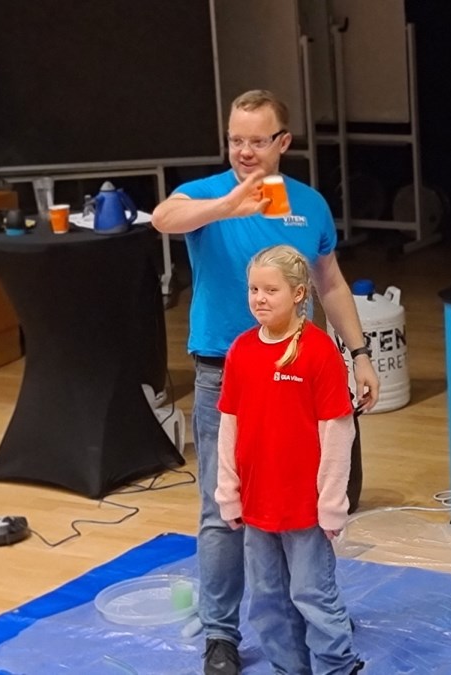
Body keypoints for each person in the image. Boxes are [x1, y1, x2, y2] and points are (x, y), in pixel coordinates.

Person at [151, 89, 378, 675]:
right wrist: (228, 205)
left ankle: (317, 615)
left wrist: (359, 353)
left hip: (301, 373)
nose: (244, 151)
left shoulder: (310, 205)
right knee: (222, 506)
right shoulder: (207, 194)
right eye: (235, 140)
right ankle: (220, 633)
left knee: (308, 499)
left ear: (283, 142)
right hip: (225, 372)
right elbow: (163, 218)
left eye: (256, 140)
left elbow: (330, 282)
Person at [215, 244, 361, 675]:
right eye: (253, 289)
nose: (259, 298)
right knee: (266, 599)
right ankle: (287, 668)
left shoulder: (318, 351)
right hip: (257, 505)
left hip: (304, 508)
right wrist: (228, 492)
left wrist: (331, 503)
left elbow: (338, 432)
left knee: (313, 595)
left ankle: (337, 667)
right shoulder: (241, 350)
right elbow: (229, 426)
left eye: (270, 290)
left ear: (298, 294)